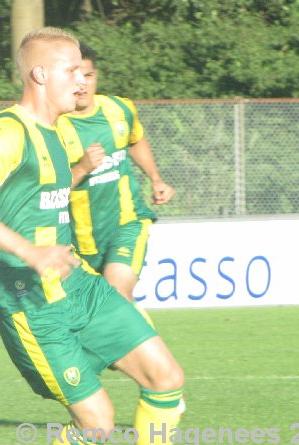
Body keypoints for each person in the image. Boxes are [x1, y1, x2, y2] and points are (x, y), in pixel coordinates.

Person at [0, 27, 184, 445]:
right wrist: (30, 252)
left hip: (79, 286)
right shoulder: (7, 132)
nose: (82, 79)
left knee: (166, 378)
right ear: (40, 74)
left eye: (83, 70)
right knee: (98, 425)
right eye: (71, 69)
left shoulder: (57, 132)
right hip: (31, 304)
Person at [57, 42, 175, 303]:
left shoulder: (119, 109)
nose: (83, 84)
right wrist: (82, 168)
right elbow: (50, 192)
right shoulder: (54, 127)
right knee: (92, 311)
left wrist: (155, 178)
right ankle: (138, 343)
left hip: (127, 222)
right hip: (81, 238)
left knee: (117, 293)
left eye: (88, 76)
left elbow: (135, 140)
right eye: (75, 77)